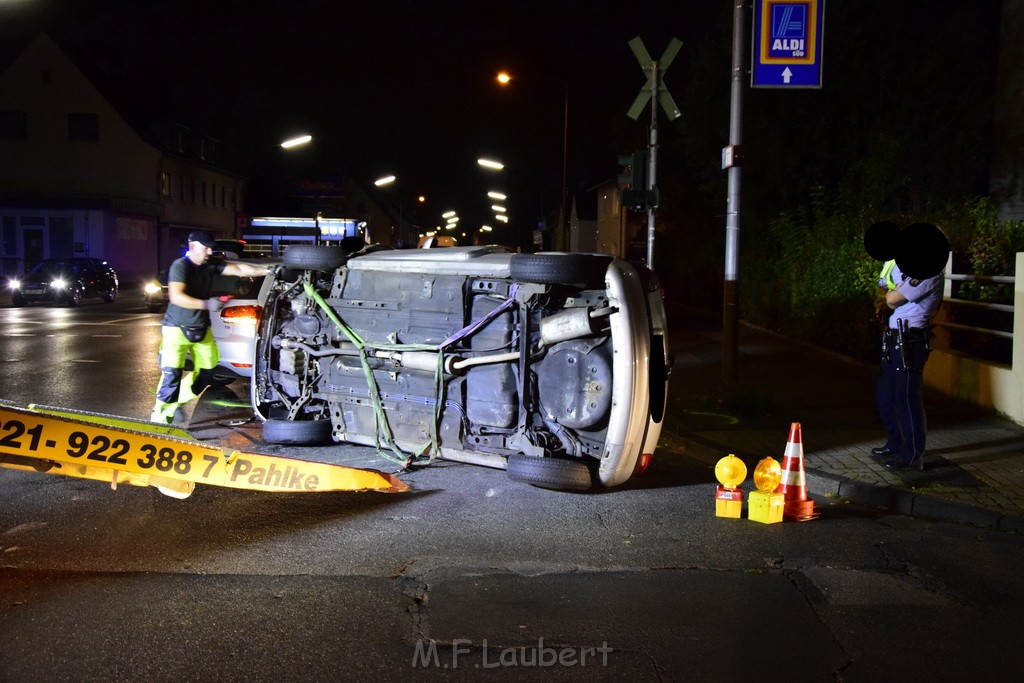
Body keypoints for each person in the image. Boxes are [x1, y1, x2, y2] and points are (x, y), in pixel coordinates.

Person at [150, 232, 272, 423]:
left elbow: (240, 268)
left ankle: (178, 401)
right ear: (192, 246)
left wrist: (269, 270)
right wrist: (207, 304)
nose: (209, 251)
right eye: (205, 247)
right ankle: (159, 420)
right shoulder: (181, 266)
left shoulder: (209, 264)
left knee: (206, 373)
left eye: (210, 247)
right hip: (176, 329)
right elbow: (176, 296)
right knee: (171, 375)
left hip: (201, 329)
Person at [871, 261, 944, 471]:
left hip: (910, 342)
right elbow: (884, 287)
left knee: (907, 399)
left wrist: (891, 293)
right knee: (885, 396)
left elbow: (892, 299)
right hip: (894, 339)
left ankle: (911, 455)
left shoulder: (929, 273)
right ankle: (895, 444)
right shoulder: (911, 271)